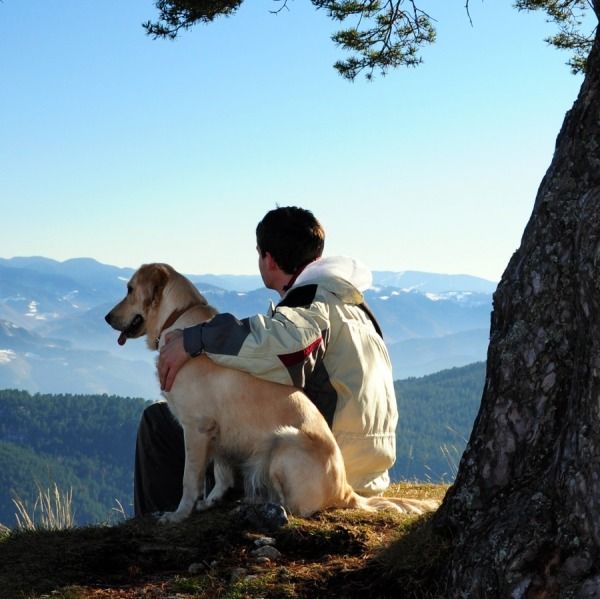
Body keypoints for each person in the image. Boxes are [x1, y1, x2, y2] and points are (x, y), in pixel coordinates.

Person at [134, 206, 398, 516]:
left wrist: (195, 339)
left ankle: (162, 527)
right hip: (362, 471)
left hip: (316, 469)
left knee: (161, 424)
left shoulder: (311, 307)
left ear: (268, 259)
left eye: (259, 253)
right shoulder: (355, 308)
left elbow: (282, 348)